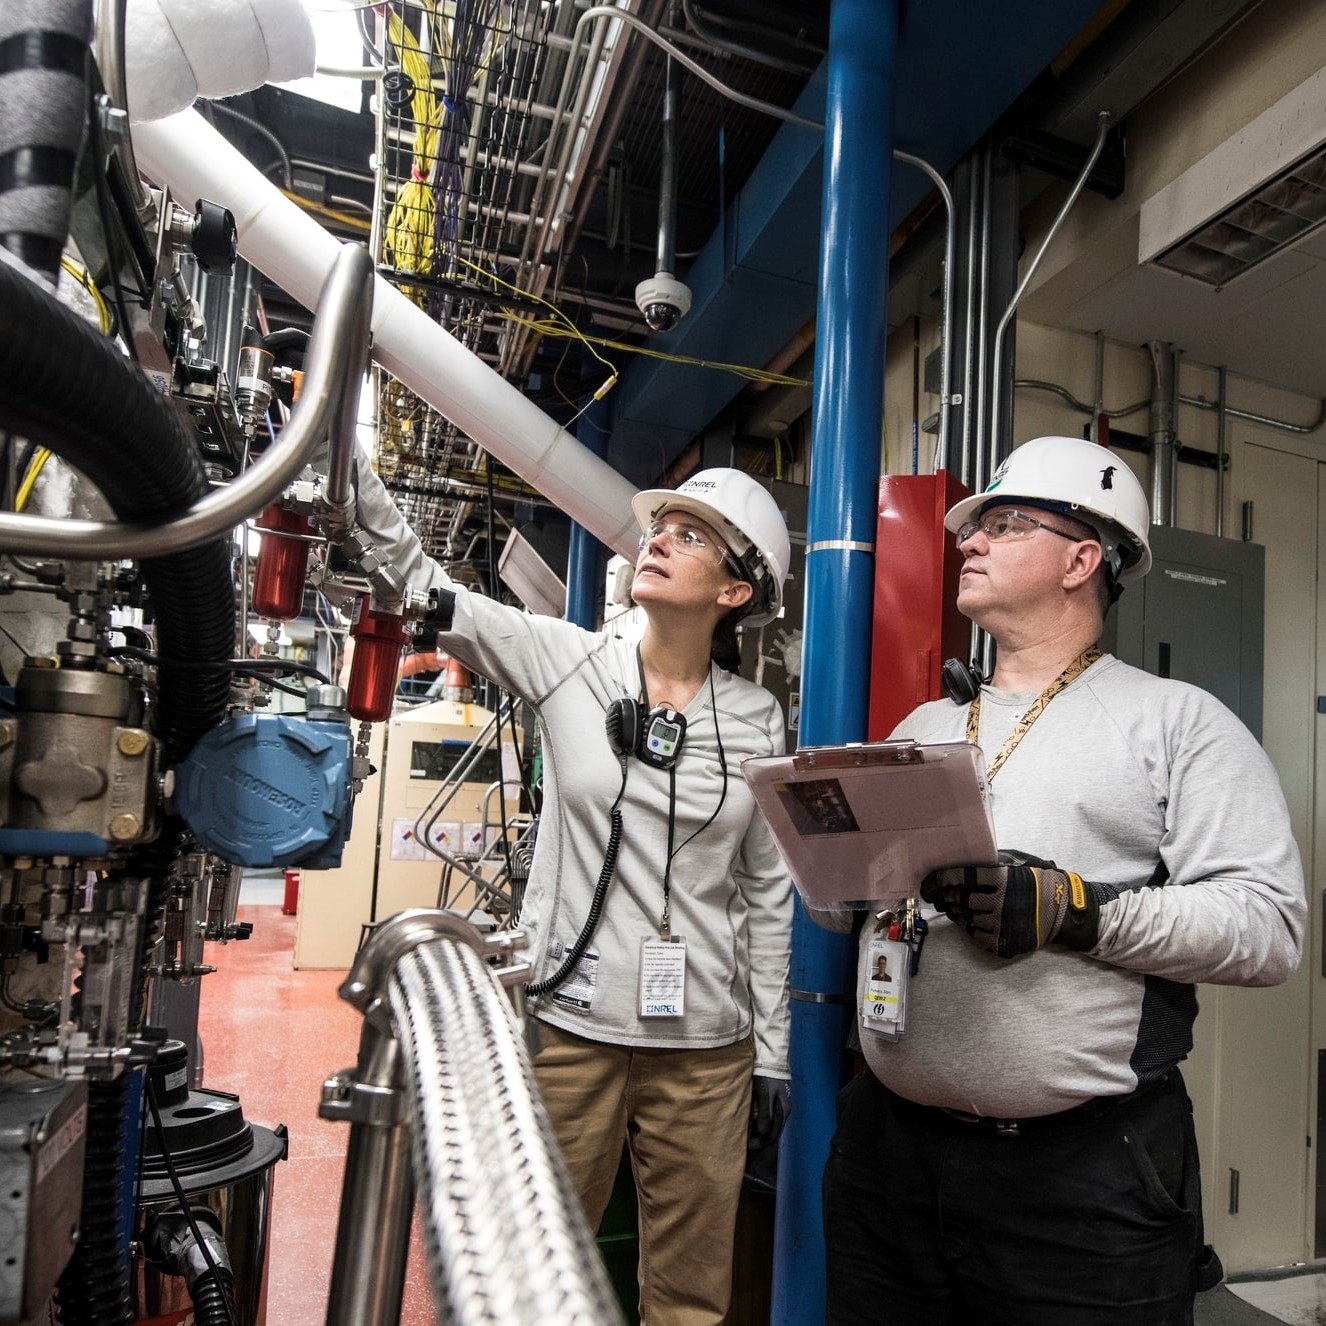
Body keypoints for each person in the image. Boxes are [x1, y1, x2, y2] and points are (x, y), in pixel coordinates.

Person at [820, 435, 1306, 1326]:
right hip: (885, 1157)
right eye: (972, 529)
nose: (969, 542)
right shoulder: (928, 720)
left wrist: (1074, 910)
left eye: (1002, 525)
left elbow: (1268, 928)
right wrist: (835, 877)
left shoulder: (1178, 723)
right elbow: (858, 900)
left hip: (1080, 1189)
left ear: (1084, 558)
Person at [419, 467, 795, 1324]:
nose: (657, 540)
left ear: (735, 590)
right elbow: (431, 592)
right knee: (532, 1279)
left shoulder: (757, 719)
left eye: (690, 535)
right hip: (571, 1035)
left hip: (707, 1053)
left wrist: (772, 1052)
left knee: (692, 1297)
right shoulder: (568, 662)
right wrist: (343, 480)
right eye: (660, 527)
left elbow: (767, 894)